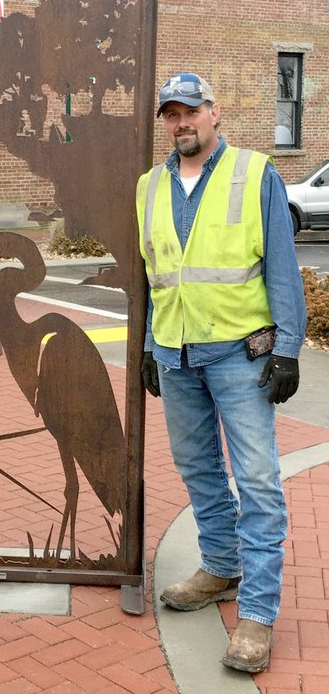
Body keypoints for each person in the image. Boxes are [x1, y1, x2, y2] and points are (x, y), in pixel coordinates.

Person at [137, 72, 307, 674]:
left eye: (191, 111)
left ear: (215, 113)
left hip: (240, 355)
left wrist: (288, 348)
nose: (182, 123)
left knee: (258, 481)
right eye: (171, 114)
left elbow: (282, 268)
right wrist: (150, 347)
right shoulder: (149, 186)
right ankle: (221, 567)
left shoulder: (255, 174)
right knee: (199, 470)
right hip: (177, 354)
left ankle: (256, 616)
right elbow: (155, 271)